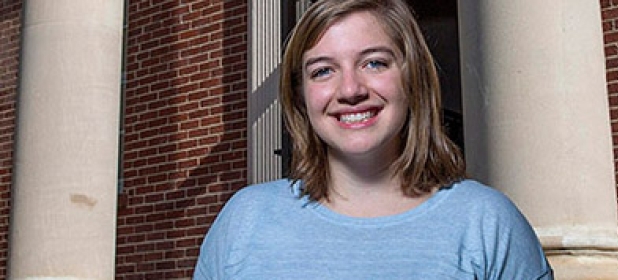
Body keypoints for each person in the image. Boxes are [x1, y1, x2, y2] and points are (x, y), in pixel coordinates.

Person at [194, 0, 553, 279]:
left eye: (374, 63)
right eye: (323, 71)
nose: (350, 90)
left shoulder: (487, 223)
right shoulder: (244, 221)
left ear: (412, 76)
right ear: (300, 95)